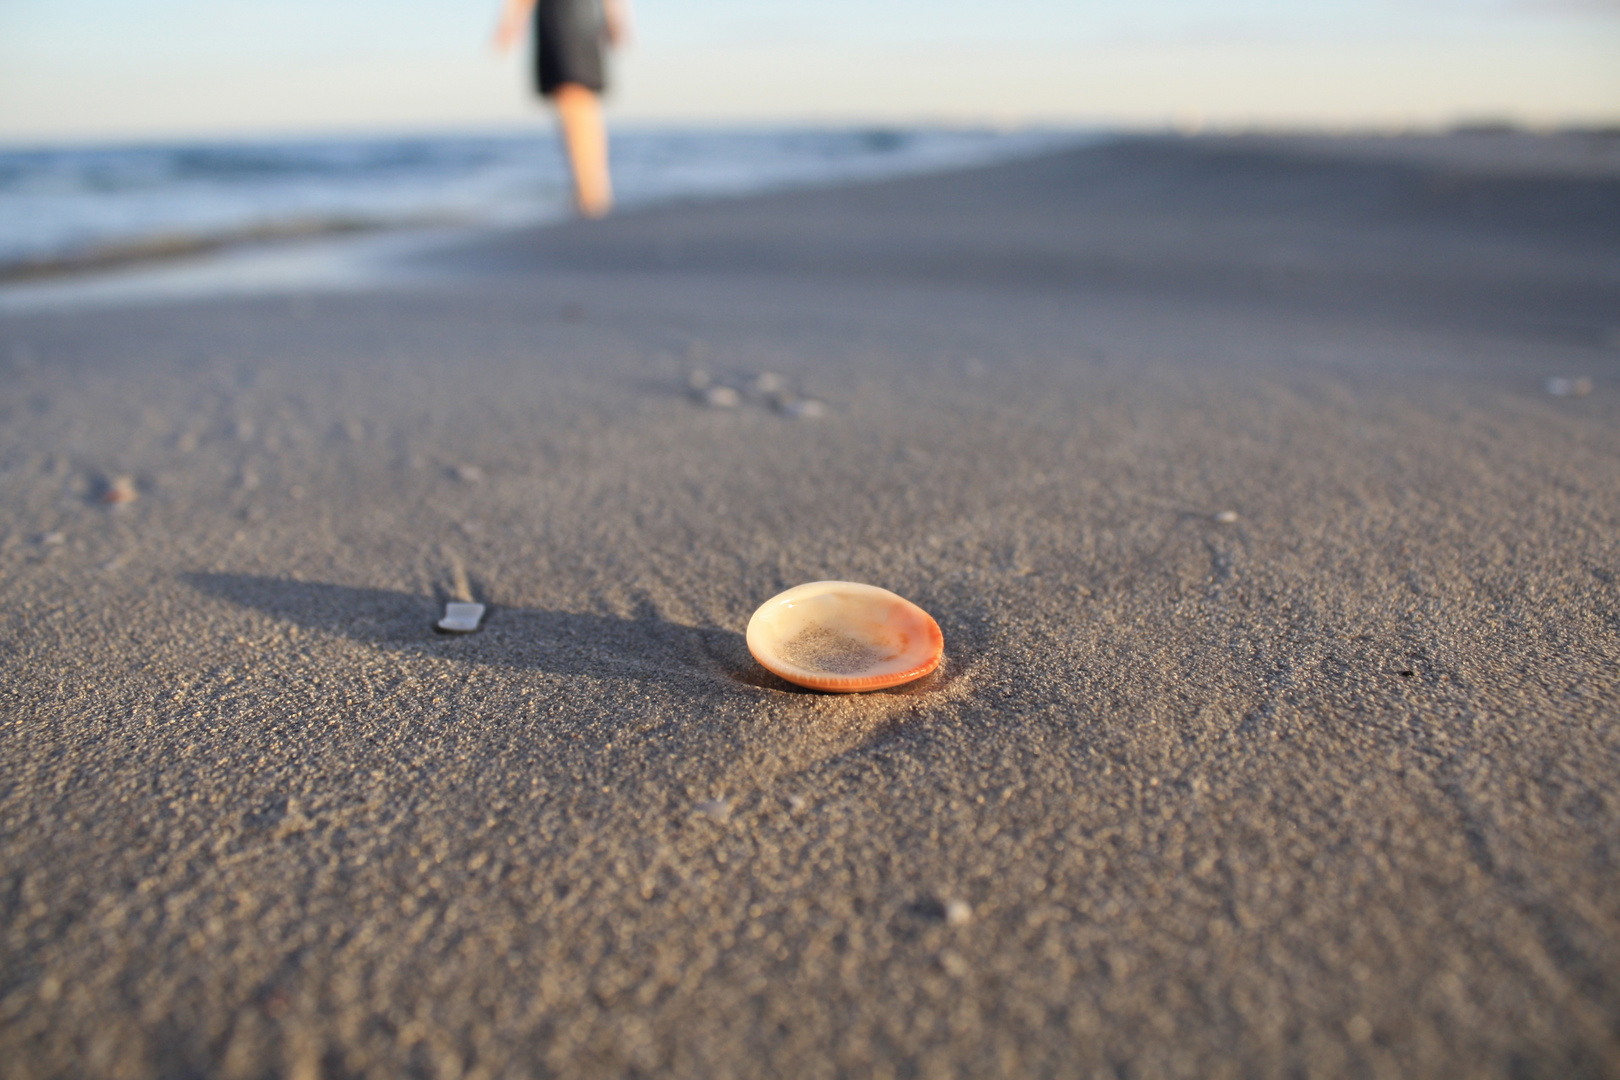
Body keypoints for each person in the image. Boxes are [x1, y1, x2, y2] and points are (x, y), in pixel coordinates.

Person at [493, 0, 627, 218]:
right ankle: (592, 190)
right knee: (579, 103)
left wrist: (510, 21)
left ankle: (590, 194)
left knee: (574, 99)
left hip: (565, 17)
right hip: (576, 15)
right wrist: (615, 16)